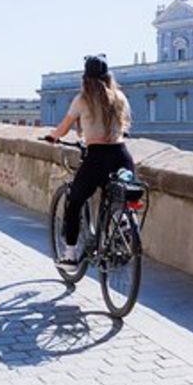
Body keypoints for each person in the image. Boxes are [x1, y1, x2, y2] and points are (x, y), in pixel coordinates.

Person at [43, 55, 133, 270]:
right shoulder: (119, 97)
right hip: (121, 155)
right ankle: (123, 221)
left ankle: (71, 255)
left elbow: (64, 127)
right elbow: (126, 125)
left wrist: (53, 136)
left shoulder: (82, 100)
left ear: (85, 78)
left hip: (97, 157)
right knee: (120, 195)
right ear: (108, 77)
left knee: (74, 201)